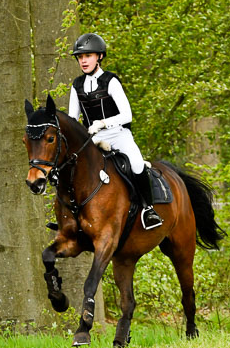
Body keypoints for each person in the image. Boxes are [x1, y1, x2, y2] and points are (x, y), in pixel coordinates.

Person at [68, 33, 163, 230]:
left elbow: (127, 115)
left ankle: (149, 209)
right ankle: (69, 214)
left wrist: (102, 123)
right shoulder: (76, 85)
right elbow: (71, 118)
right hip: (92, 139)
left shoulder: (110, 81)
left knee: (137, 165)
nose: (83, 61)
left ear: (99, 57)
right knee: (69, 168)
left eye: (88, 56)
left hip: (118, 135)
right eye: (80, 57)